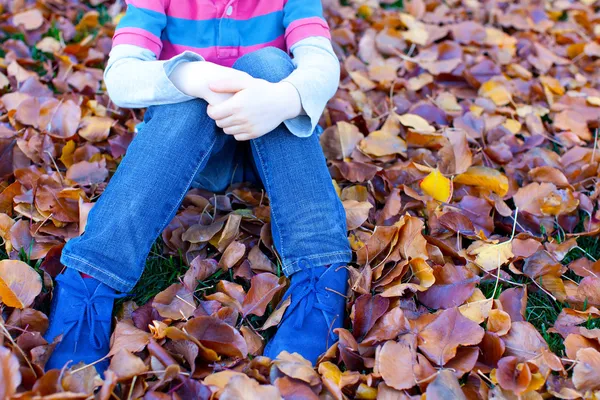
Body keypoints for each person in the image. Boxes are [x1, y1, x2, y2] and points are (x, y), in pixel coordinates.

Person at [44, 0, 352, 373]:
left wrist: (283, 99)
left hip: (271, 148)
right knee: (187, 82)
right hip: (189, 154)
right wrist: (191, 76)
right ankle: (91, 276)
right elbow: (121, 77)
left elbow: (321, 62)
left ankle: (321, 274)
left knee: (269, 64)